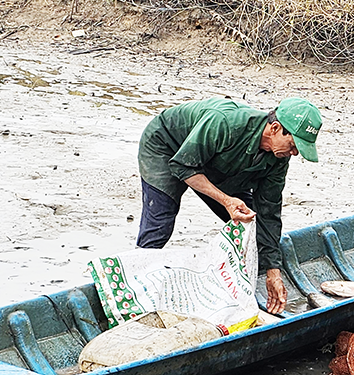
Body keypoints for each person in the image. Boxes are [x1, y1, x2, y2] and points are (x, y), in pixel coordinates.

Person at [136, 96, 323, 314]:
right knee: (160, 224)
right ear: (275, 128)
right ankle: (138, 288)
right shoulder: (225, 123)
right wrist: (226, 200)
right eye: (293, 145)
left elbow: (269, 213)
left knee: (249, 222)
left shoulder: (278, 158)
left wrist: (273, 270)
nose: (294, 153)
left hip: (215, 163)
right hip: (166, 147)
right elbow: (182, 165)